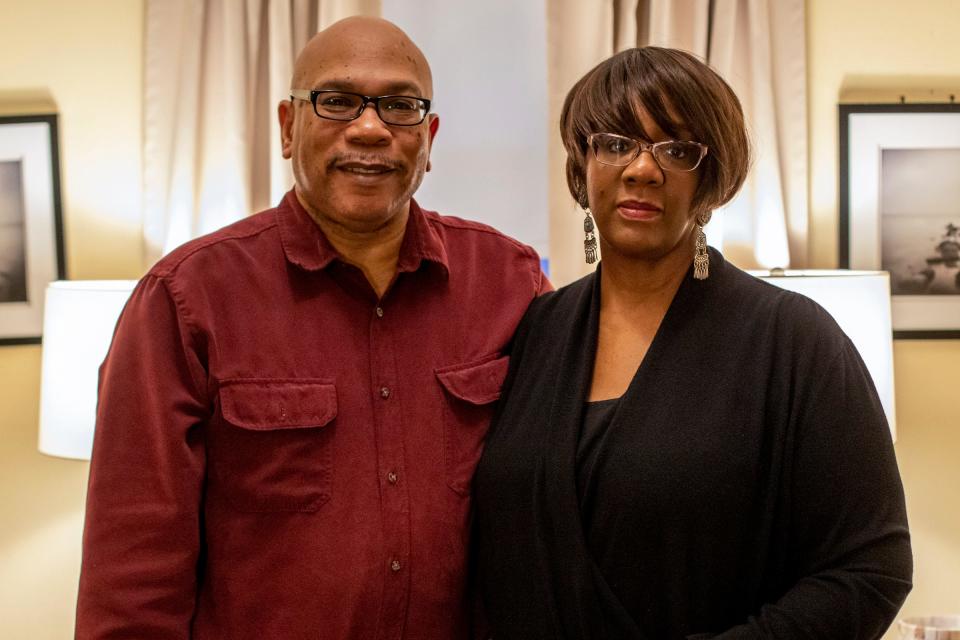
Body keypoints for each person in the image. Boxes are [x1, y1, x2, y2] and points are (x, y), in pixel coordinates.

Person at [76, 16, 547, 639]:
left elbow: (554, 514)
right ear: (288, 127)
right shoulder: (185, 299)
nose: (371, 129)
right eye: (338, 101)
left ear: (428, 138)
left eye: (400, 106)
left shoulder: (511, 285)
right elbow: (132, 578)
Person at [473, 46, 912, 640]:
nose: (642, 170)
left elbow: (871, 569)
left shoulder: (794, 343)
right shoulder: (532, 334)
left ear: (709, 180)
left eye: (676, 150)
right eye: (615, 142)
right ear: (583, 164)